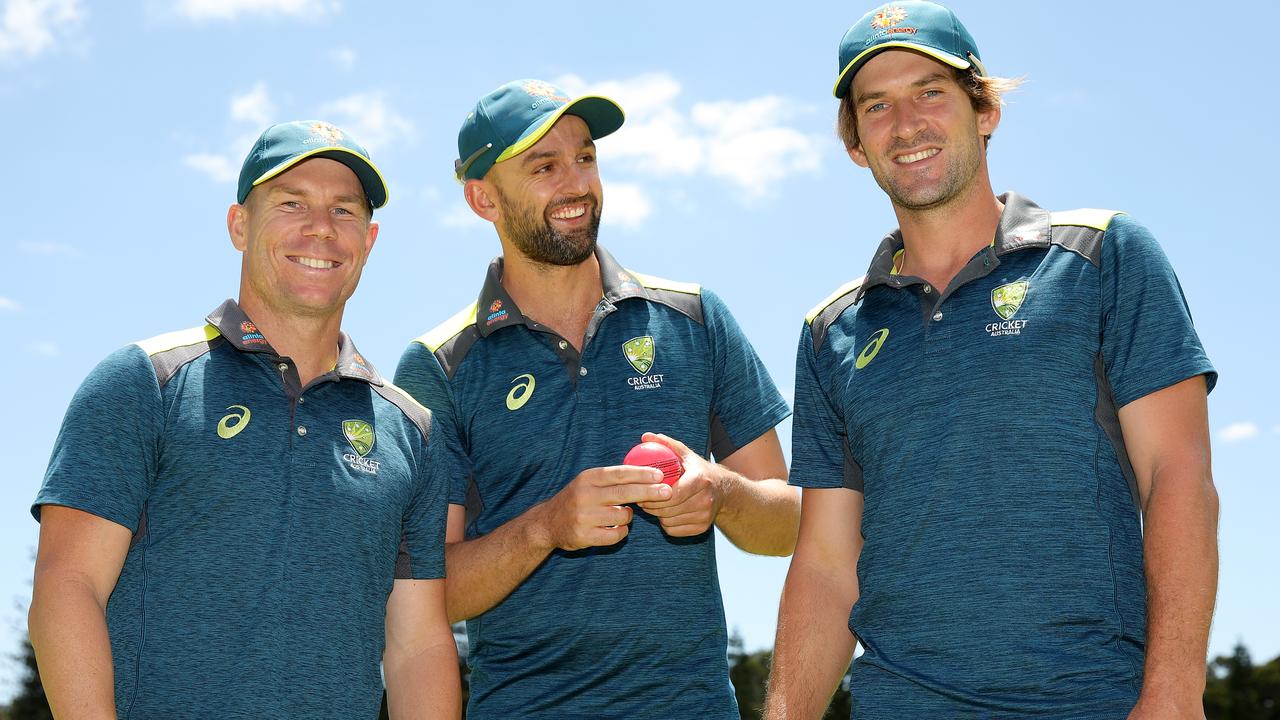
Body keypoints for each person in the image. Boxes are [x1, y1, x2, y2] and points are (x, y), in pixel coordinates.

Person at [765, 2, 1218, 718]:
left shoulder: (1105, 256)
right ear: (855, 144)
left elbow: (1178, 474)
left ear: (985, 111)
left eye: (930, 93)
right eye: (876, 106)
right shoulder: (832, 329)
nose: (906, 124)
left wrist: (1172, 694)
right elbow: (825, 561)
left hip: (1091, 698)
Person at [394, 79, 799, 718]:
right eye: (543, 166)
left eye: (585, 157)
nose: (576, 183)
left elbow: (789, 521)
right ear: (482, 200)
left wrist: (720, 493)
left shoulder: (694, 319)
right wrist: (545, 528)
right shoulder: (439, 367)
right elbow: (426, 591)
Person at [28, 120, 461, 719]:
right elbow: (68, 585)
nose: (321, 229)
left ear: (370, 239)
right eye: (291, 204)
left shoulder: (410, 431)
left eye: (344, 210)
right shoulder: (144, 381)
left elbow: (417, 644)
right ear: (239, 225)